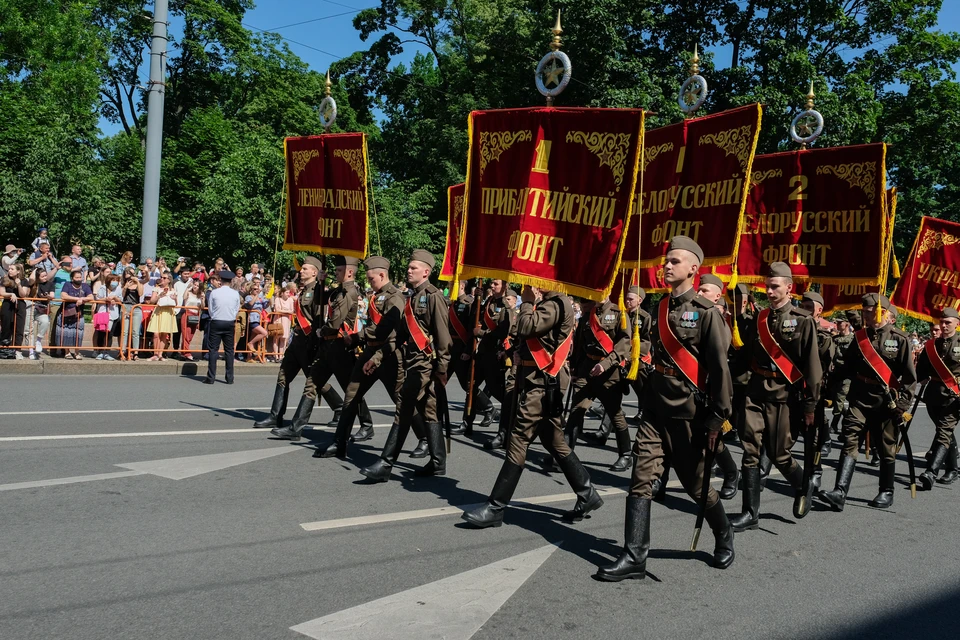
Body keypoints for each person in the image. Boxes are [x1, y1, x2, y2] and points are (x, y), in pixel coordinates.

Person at [594, 236, 734, 581]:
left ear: (693, 269)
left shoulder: (706, 313)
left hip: (688, 413)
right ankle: (634, 556)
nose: (666, 265)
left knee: (696, 485)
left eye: (675, 261)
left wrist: (717, 418)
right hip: (655, 408)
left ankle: (724, 534)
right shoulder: (656, 307)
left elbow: (719, 370)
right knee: (641, 480)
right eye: (666, 260)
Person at [462, 280, 604, 529]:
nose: (533, 283)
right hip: (536, 379)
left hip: (543, 383)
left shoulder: (556, 304)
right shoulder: (549, 303)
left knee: (517, 439)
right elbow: (525, 336)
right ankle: (587, 493)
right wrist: (518, 353)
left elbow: (527, 326)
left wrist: (526, 301)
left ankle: (496, 507)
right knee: (554, 441)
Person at [730, 262, 821, 533]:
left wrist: (810, 404)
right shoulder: (759, 320)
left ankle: (803, 486)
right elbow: (745, 357)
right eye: (767, 286)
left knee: (780, 454)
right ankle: (750, 513)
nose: (769, 292)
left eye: (775, 287)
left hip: (784, 395)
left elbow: (812, 366)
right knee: (749, 450)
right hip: (756, 391)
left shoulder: (802, 320)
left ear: (789, 288)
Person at [359, 250, 453, 481]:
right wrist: (377, 358)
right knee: (429, 411)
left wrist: (442, 369)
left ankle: (385, 463)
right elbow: (399, 335)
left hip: (425, 366)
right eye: (409, 267)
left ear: (426, 272)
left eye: (413, 268)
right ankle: (438, 463)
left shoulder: (433, 296)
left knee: (403, 408)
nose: (408, 270)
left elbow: (443, 338)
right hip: (412, 362)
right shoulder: (410, 298)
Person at [314, 256, 419, 458]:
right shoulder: (376, 296)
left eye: (372, 279)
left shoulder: (395, 297)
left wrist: (356, 337)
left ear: (382, 274)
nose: (369, 282)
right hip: (369, 352)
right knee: (351, 394)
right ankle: (339, 442)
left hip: (387, 354)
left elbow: (386, 328)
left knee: (400, 400)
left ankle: (424, 437)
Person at [819, 294, 916, 510]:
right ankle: (840, 492)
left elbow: (909, 378)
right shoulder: (860, 337)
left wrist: (903, 404)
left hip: (886, 401)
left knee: (885, 446)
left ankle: (886, 491)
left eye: (869, 311)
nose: (865, 314)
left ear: (881, 312)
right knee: (850, 438)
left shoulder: (900, 340)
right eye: (865, 310)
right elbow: (847, 367)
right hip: (859, 397)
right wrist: (827, 388)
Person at [271, 255, 374, 441]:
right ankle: (296, 428)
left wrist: (321, 331)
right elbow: (319, 300)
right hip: (327, 346)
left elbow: (334, 323)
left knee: (350, 389)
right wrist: (321, 281)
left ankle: (366, 425)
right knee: (311, 385)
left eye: (339, 270)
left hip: (339, 347)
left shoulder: (348, 293)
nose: (336, 272)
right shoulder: (337, 292)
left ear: (349, 272)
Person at [563, 293, 633, 471]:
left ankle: (625, 454)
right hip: (587, 369)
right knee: (576, 410)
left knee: (615, 414)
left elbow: (624, 345)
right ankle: (566, 455)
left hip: (609, 372)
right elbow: (579, 344)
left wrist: (605, 364)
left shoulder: (620, 314)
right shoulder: (589, 314)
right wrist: (575, 369)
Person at [912, 307, 959, 488]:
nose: (944, 325)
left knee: (944, 431)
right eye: (942, 322)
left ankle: (931, 472)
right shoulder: (932, 346)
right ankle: (953, 469)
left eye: (948, 322)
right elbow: (921, 370)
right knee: (944, 431)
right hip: (933, 395)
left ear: (957, 323)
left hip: (954, 397)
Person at [448, 280, 496, 436]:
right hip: (450, 347)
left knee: (468, 385)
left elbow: (471, 329)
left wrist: (468, 350)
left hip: (462, 349)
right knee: (439, 381)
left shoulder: (469, 303)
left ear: (460, 286)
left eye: (451, 285)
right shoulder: (452, 303)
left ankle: (488, 407)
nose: (448, 288)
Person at [799, 292, 836, 491]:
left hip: (815, 390)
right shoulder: (794, 329)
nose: (804, 310)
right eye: (802, 306)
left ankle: (815, 471)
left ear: (819, 310)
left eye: (808, 307)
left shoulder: (823, 337)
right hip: (793, 388)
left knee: (812, 438)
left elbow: (824, 364)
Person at [474, 279, 513, 450]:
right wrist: (477, 299)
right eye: (492, 283)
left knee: (498, 391)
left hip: (495, 352)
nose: (492, 286)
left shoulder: (506, 305)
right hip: (482, 351)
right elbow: (475, 317)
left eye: (496, 283)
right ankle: (472, 419)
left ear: (505, 286)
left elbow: (503, 330)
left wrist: (481, 333)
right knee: (470, 384)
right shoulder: (488, 301)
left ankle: (507, 428)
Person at [204, 271, 242, 384]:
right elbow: (236, 309)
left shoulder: (214, 293)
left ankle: (211, 377)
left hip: (216, 321)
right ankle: (230, 378)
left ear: (221, 280)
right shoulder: (235, 293)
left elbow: (210, 308)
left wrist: (215, 316)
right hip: (230, 322)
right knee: (229, 350)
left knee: (213, 350)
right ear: (231, 281)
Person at [58, 269, 94, 359]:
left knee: (78, 333)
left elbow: (91, 297)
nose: (79, 279)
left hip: (79, 313)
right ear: (72, 278)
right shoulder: (67, 284)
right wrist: (76, 299)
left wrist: (82, 300)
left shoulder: (85, 286)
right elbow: (63, 295)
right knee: (66, 332)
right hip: (67, 311)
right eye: (76, 277)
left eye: (80, 277)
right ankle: (67, 352)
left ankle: (77, 352)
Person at [0, 263, 30, 358]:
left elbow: (23, 294)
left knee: (19, 328)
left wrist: (19, 285)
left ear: (18, 271)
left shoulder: (24, 281)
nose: (9, 270)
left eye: (12, 269)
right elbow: (2, 292)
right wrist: (10, 294)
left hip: (20, 306)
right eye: (9, 269)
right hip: (7, 305)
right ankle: (5, 348)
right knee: (6, 326)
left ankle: (17, 349)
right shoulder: (4, 279)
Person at [146, 273, 179, 360]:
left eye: (164, 278)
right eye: (161, 277)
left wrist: (175, 298)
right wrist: (159, 296)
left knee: (164, 334)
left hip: (168, 312)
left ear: (169, 280)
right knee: (156, 333)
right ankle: (155, 353)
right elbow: (152, 301)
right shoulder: (156, 289)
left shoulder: (173, 290)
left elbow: (176, 304)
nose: (162, 279)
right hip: (158, 311)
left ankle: (160, 354)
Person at [28, 267, 55, 359]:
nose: (45, 277)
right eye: (42, 276)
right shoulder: (34, 284)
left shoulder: (50, 284)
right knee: (30, 329)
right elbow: (31, 279)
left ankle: (39, 340)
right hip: (31, 307)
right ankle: (31, 351)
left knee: (45, 321)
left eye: (45, 275)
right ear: (37, 277)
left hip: (42, 308)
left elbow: (52, 295)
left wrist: (48, 296)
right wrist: (35, 270)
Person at [244, 281, 269, 363]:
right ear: (251, 290)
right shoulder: (249, 297)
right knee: (264, 333)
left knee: (253, 336)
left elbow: (266, 306)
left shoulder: (260, 298)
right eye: (255, 289)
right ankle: (250, 343)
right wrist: (257, 295)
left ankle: (249, 357)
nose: (257, 290)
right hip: (252, 319)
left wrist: (269, 298)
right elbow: (250, 304)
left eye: (258, 289)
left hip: (259, 319)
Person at [179, 277, 204, 360]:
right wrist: (188, 287)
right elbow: (184, 297)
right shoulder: (189, 293)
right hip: (187, 313)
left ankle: (183, 352)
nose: (195, 286)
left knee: (190, 336)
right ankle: (187, 353)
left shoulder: (200, 295)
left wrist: (203, 299)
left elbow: (202, 307)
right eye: (194, 284)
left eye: (197, 285)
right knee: (185, 335)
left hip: (195, 315)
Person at [270, 283, 295, 360]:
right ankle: (276, 355)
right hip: (278, 319)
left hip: (286, 320)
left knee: (284, 338)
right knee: (276, 337)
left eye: (289, 293)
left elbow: (292, 311)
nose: (288, 294)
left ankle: (281, 355)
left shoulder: (290, 300)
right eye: (287, 292)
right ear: (282, 293)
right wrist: (286, 311)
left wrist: (284, 311)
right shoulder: (278, 299)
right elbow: (277, 309)